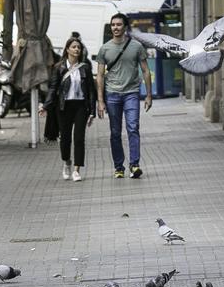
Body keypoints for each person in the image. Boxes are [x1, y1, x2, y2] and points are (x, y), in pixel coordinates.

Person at [95, 13, 152, 179]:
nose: (115, 27)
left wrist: (149, 95)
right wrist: (100, 101)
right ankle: (118, 167)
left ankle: (134, 165)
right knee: (115, 132)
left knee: (133, 128)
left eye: (119, 24)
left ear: (125, 27)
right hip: (112, 95)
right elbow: (99, 76)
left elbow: (146, 70)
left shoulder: (136, 46)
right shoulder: (104, 48)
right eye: (113, 25)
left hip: (131, 93)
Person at [39, 34, 97, 182]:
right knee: (65, 138)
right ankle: (66, 162)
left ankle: (77, 170)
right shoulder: (59, 67)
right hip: (63, 107)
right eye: (74, 47)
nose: (77, 49)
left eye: (78, 47)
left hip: (80, 106)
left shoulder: (85, 67)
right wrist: (46, 106)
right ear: (67, 49)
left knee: (79, 138)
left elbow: (91, 90)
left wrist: (92, 111)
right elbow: (53, 88)